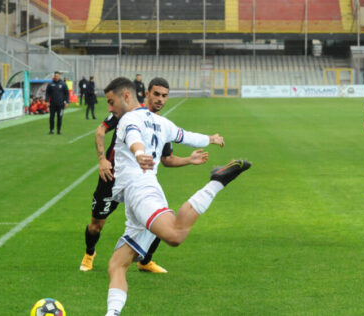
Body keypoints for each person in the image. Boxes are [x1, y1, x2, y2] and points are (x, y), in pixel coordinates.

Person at [102, 77, 250, 316]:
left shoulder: (129, 118)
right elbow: (186, 135)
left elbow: (133, 137)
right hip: (138, 195)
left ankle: (216, 182)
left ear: (126, 96)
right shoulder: (162, 123)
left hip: (140, 190)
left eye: (111, 102)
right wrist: (211, 139)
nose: (109, 108)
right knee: (116, 265)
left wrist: (139, 154)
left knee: (174, 235)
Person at [80, 77, 210, 274]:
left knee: (159, 217)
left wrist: (189, 160)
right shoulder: (127, 113)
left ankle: (145, 261)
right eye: (156, 94)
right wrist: (102, 160)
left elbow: (167, 159)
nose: (160, 99)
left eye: (164, 96)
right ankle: (90, 254)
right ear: (147, 93)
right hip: (111, 177)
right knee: (96, 225)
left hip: (139, 181)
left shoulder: (160, 126)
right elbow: (100, 131)